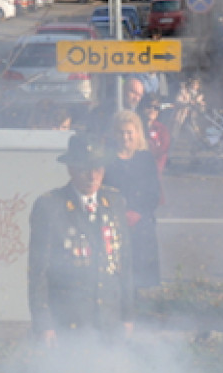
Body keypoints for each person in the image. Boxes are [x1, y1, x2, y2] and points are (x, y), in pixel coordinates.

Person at [27, 133, 133, 345]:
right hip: (69, 318)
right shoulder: (51, 206)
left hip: (109, 315)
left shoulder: (114, 201)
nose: (92, 176)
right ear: (71, 169)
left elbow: (125, 261)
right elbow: (38, 271)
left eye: (98, 169)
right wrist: (44, 324)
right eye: (85, 169)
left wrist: (128, 315)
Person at [104, 110, 161, 289]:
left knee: (141, 280)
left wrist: (138, 213)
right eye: (121, 132)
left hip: (142, 225)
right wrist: (119, 214)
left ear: (137, 133)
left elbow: (153, 192)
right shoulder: (106, 159)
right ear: (115, 134)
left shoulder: (145, 159)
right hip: (113, 225)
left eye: (129, 132)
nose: (125, 137)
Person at [139, 95, 171, 174]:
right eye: (149, 106)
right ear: (142, 108)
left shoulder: (162, 130)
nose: (152, 110)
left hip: (153, 172)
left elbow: (162, 152)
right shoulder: (135, 127)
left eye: (156, 108)